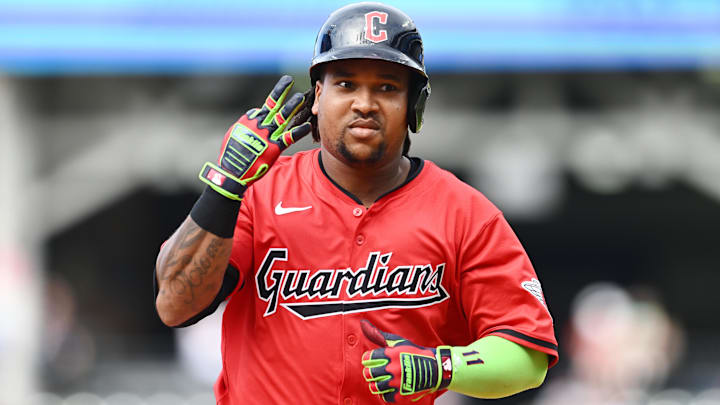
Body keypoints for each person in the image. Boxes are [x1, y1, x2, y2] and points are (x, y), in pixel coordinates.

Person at [154, 2, 558, 404]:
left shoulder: (464, 213)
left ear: (413, 105)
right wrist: (224, 189)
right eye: (346, 84)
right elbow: (174, 305)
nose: (364, 103)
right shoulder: (259, 193)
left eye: (387, 87)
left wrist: (440, 366)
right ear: (317, 96)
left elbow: (527, 355)